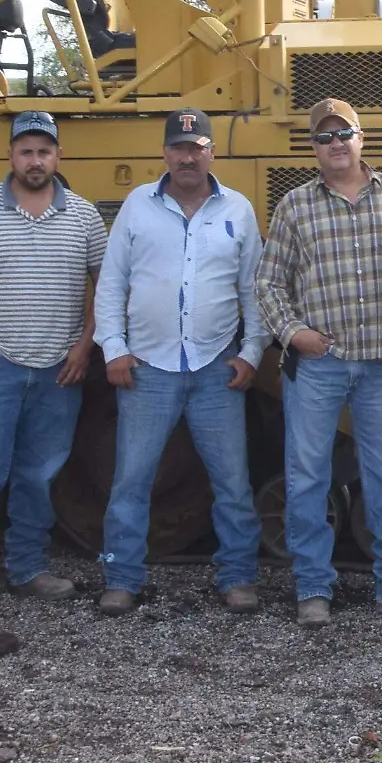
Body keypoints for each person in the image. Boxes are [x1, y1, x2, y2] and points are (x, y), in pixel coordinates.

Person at [256, 98, 382, 627]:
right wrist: (295, 334)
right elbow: (269, 282)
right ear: (314, 148)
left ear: (361, 137)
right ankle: (312, 587)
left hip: (381, 366)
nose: (335, 144)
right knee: (306, 477)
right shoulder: (295, 206)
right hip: (319, 365)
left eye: (343, 133)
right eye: (324, 138)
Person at [94, 107, 266, 616]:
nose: (187, 156)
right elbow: (112, 282)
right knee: (131, 480)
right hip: (147, 368)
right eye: (178, 147)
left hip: (217, 367)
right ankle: (122, 578)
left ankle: (237, 577)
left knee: (232, 482)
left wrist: (252, 351)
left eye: (197, 147)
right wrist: (114, 348)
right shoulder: (136, 207)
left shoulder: (238, 209)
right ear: (165, 153)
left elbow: (252, 289)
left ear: (212, 151)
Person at [0, 111, 107, 600]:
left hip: (59, 370)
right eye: (26, 151)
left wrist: (83, 345)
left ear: (58, 156)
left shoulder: (83, 215)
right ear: (11, 156)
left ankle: (27, 569)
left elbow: (106, 285)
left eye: (44, 151)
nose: (35, 160)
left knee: (40, 476)